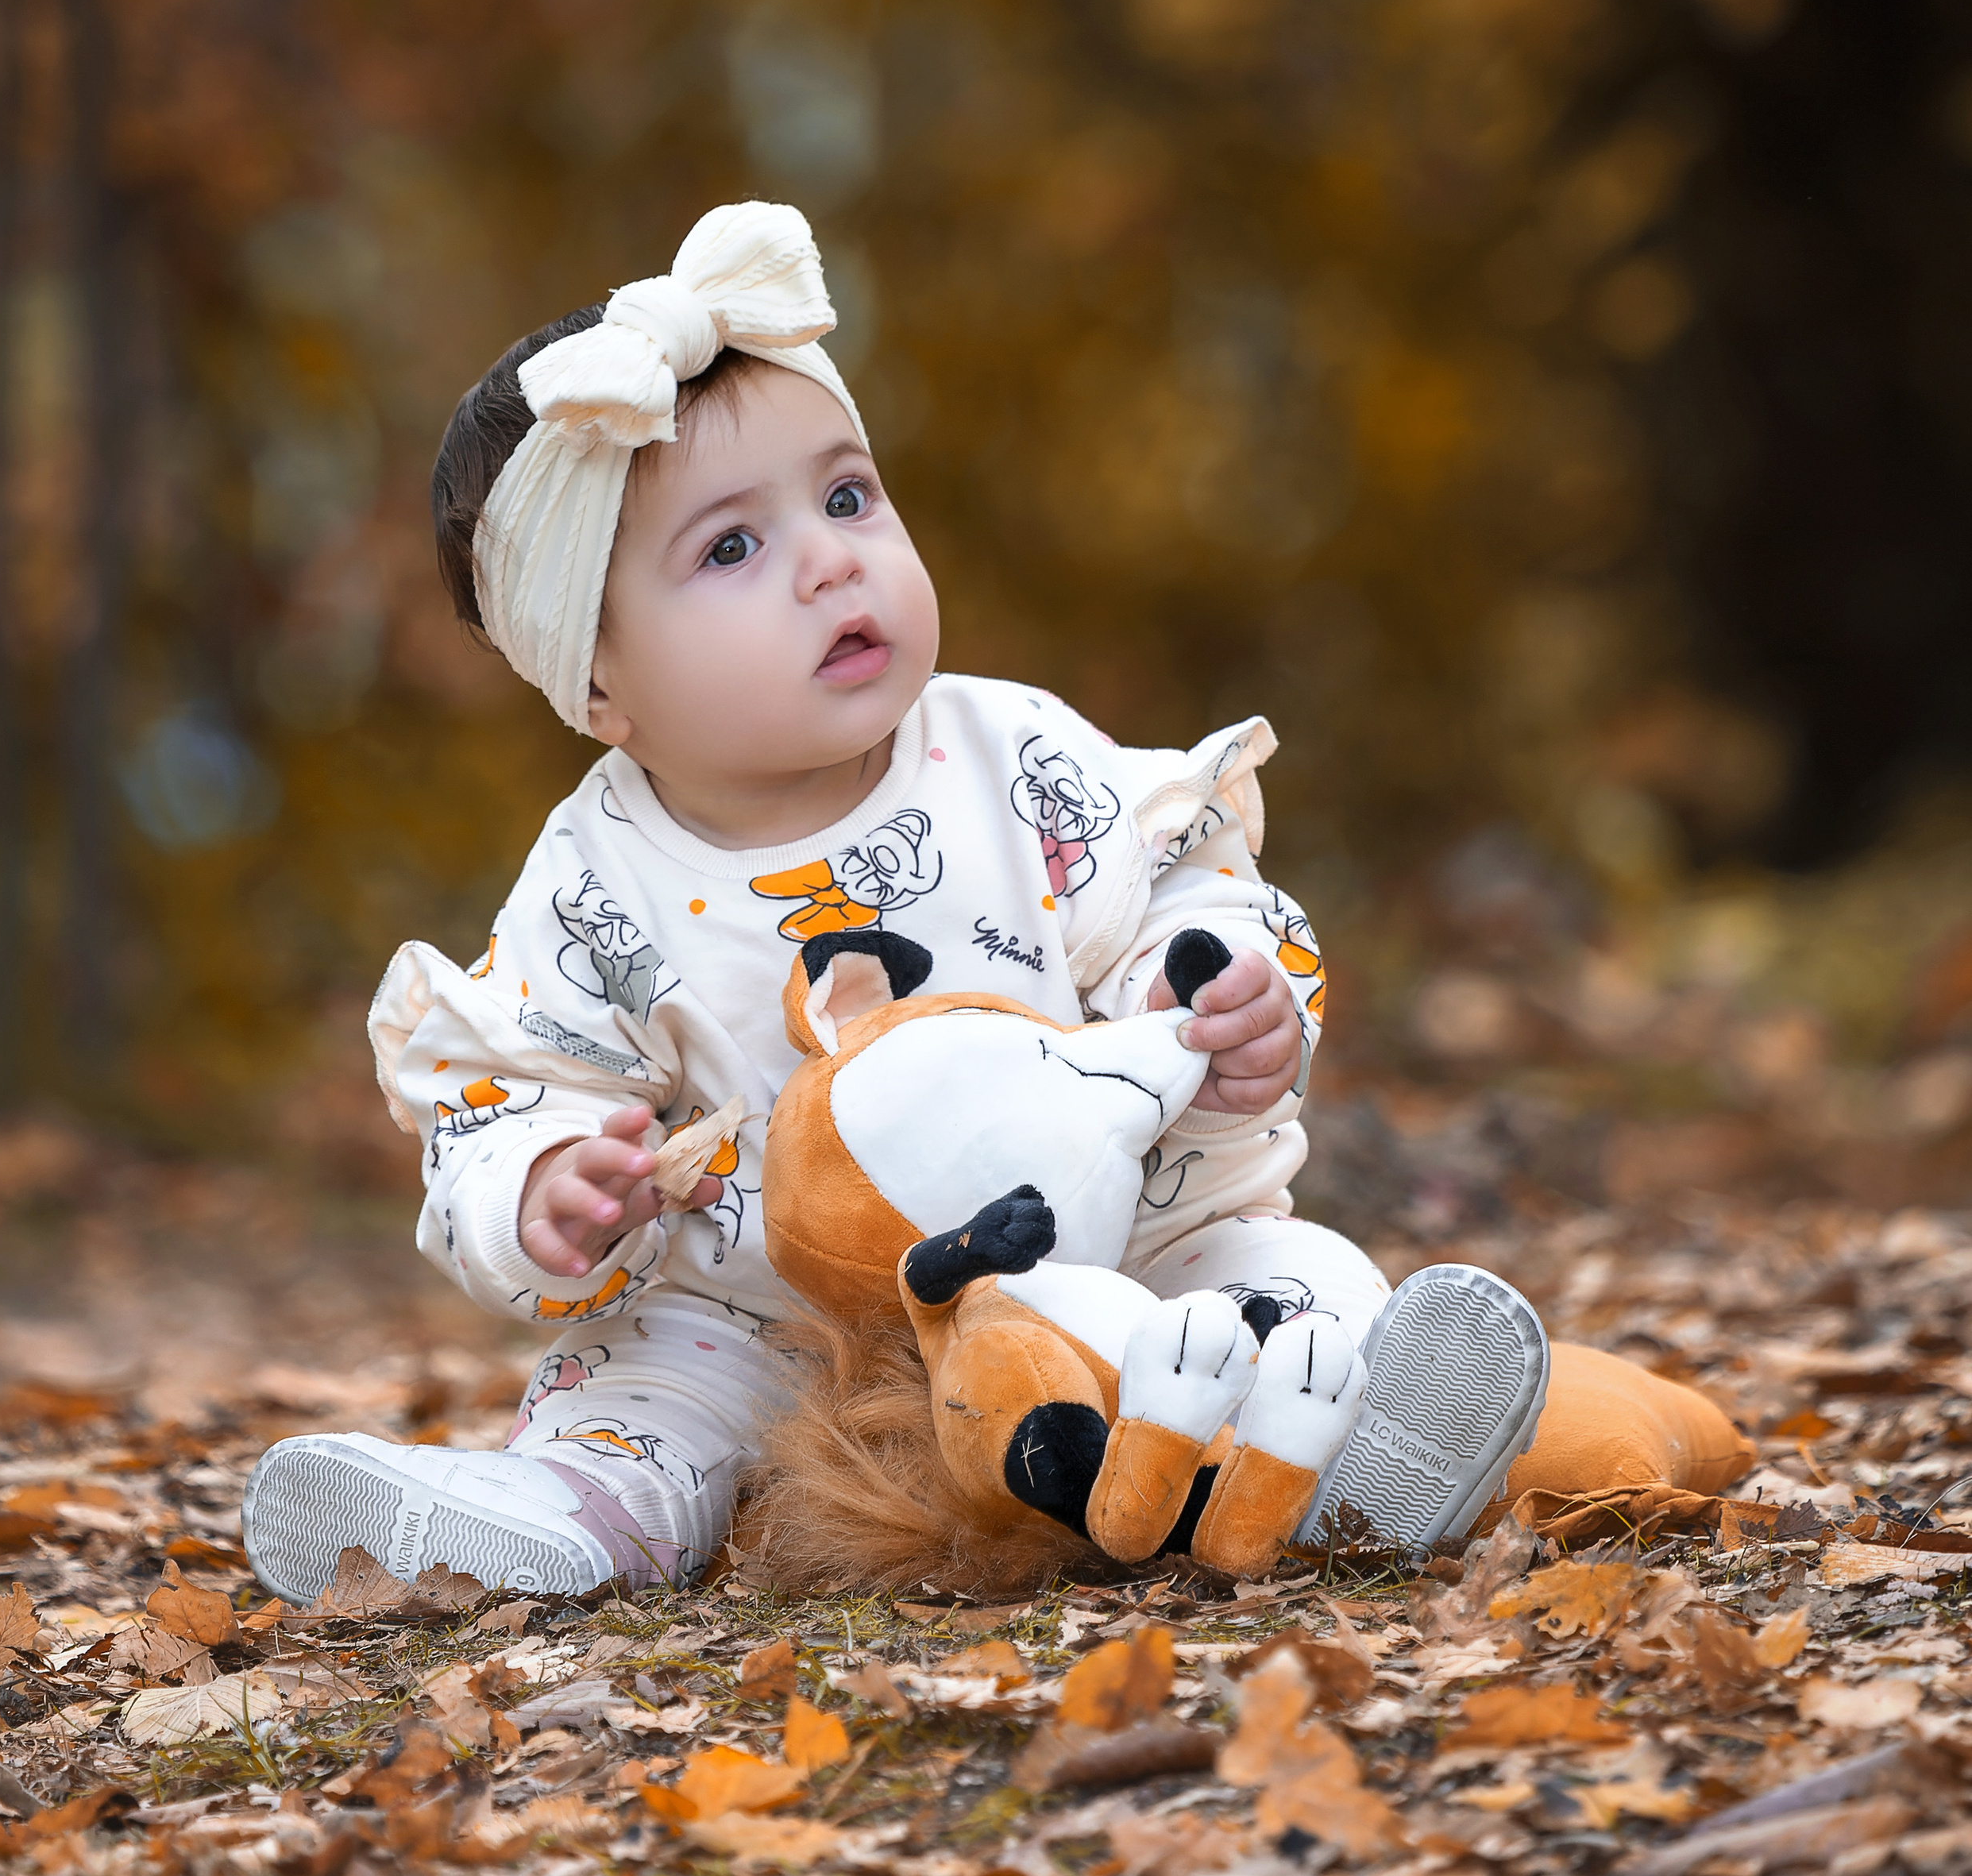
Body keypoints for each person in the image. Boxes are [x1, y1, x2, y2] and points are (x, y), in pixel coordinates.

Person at [237, 204, 1569, 1604]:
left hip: (1111, 1254)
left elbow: (1182, 881)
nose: (829, 558)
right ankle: (562, 1517)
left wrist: (1231, 990)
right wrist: (545, 1195)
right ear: (598, 684)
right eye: (731, 550)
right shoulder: (592, 886)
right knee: (643, 1393)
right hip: (771, 1325)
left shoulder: (1011, 753)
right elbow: (506, 1094)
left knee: (1273, 1283)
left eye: (847, 495)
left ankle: (1344, 1450)